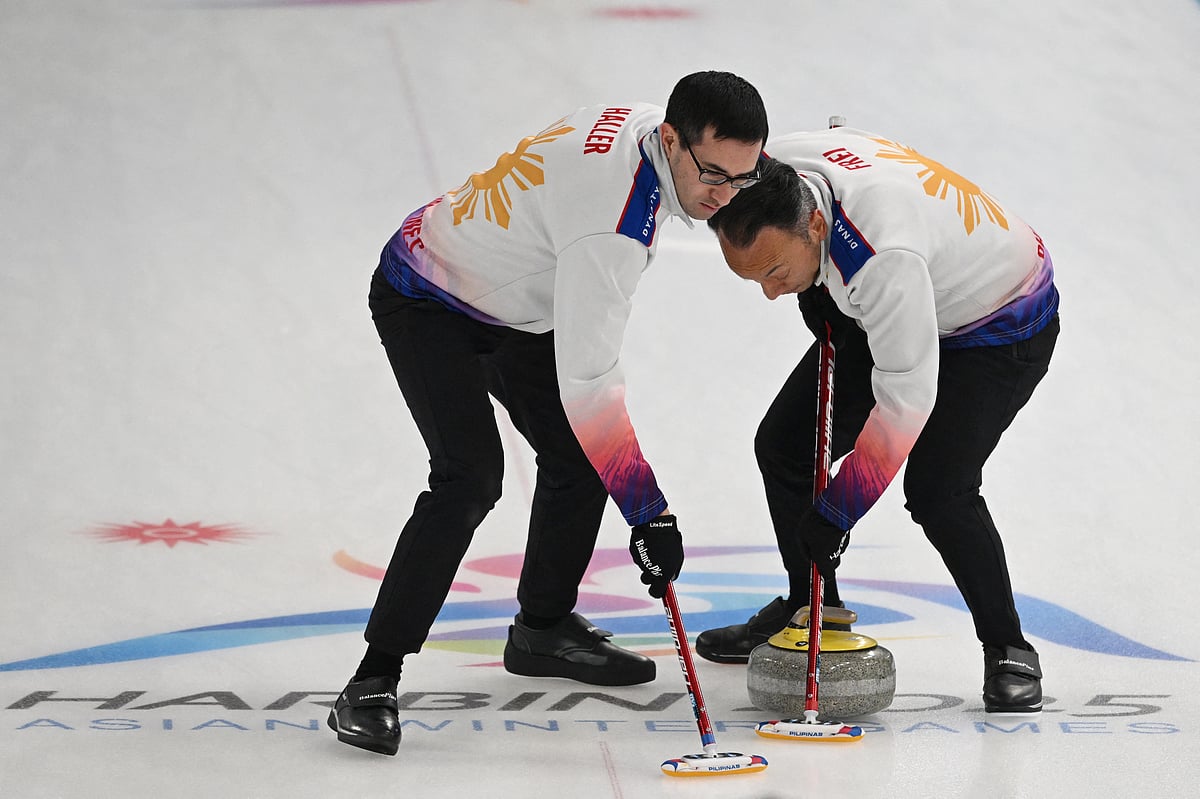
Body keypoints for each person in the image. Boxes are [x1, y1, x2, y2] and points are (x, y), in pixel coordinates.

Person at [327, 72, 769, 755]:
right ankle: (372, 679)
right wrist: (650, 512)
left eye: (743, 176)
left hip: (520, 297)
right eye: (713, 173)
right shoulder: (613, 227)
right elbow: (590, 383)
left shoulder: (649, 127)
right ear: (673, 140)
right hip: (427, 296)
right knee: (468, 478)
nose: (724, 194)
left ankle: (542, 628)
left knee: (578, 460)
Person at [696, 129, 1059, 714]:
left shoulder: (880, 259)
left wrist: (840, 510)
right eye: (752, 278)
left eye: (775, 273)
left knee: (940, 489)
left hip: (997, 325)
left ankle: (1009, 647)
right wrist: (807, 287)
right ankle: (809, 610)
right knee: (785, 443)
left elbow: (906, 404)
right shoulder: (773, 176)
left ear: (814, 226)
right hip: (895, 296)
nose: (768, 293)